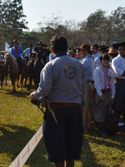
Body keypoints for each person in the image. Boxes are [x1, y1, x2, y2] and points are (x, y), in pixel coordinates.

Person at [30, 35, 86, 167]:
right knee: (72, 143)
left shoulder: (50, 66)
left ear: (52, 49)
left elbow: (44, 89)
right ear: (66, 48)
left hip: (57, 111)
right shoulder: (79, 64)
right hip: (75, 109)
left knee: (56, 144)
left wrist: (35, 95)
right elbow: (84, 88)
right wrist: (82, 104)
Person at [93, 54, 115, 137]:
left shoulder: (110, 72)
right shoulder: (97, 71)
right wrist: (100, 94)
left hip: (108, 93)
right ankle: (101, 130)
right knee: (100, 110)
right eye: (104, 60)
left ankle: (108, 128)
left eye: (107, 60)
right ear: (101, 61)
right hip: (101, 92)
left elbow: (112, 84)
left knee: (107, 110)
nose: (105, 61)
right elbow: (97, 83)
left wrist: (112, 96)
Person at [75, 43, 95, 131]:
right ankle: (87, 124)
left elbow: (78, 70)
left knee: (86, 106)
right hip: (87, 83)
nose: (80, 52)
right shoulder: (87, 59)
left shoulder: (87, 60)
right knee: (88, 105)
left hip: (86, 83)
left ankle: (85, 126)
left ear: (85, 51)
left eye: (81, 51)